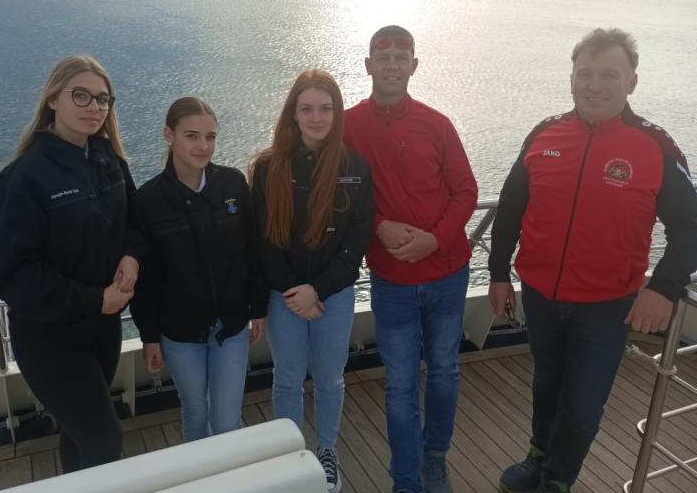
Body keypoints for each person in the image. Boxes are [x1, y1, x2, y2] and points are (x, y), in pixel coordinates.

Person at [488, 27, 697, 493]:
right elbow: (511, 208)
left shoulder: (656, 146)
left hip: (607, 305)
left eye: (609, 75)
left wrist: (663, 288)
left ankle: (558, 479)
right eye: (585, 73)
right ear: (572, 78)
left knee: (582, 405)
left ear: (631, 82)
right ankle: (538, 455)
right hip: (541, 295)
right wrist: (498, 274)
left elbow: (689, 226)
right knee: (546, 383)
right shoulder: (544, 134)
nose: (595, 85)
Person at [0, 55, 141, 472]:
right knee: (104, 440)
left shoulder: (108, 158)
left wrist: (131, 255)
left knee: (79, 433)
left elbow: (135, 220)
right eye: (81, 96)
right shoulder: (23, 179)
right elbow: (15, 277)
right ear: (53, 99)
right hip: (49, 339)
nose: (95, 107)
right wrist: (95, 300)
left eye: (103, 99)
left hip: (102, 329)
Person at [344, 26, 478, 493]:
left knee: (443, 373)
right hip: (391, 279)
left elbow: (466, 191)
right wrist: (378, 224)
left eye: (402, 57)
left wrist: (435, 240)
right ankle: (406, 480)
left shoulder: (436, 124)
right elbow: (339, 194)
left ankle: (434, 458)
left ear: (414, 66)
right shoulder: (347, 126)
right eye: (384, 58)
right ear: (368, 66)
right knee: (400, 385)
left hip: (447, 273)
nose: (393, 65)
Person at [250, 69, 374, 493]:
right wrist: (295, 292)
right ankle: (290, 455)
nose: (316, 118)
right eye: (307, 109)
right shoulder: (268, 168)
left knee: (329, 379)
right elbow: (264, 241)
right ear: (293, 113)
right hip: (285, 295)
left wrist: (317, 290)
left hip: (332, 296)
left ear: (337, 114)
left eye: (325, 108)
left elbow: (355, 244)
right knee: (287, 378)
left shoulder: (355, 168)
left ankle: (325, 450)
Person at [130, 96, 267, 442]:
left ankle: (230, 471)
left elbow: (252, 251)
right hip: (179, 332)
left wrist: (258, 308)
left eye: (210, 136)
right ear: (169, 135)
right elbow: (147, 280)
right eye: (191, 136)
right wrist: (149, 336)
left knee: (226, 420)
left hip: (231, 326)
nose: (203, 146)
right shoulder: (148, 201)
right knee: (195, 412)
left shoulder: (233, 184)